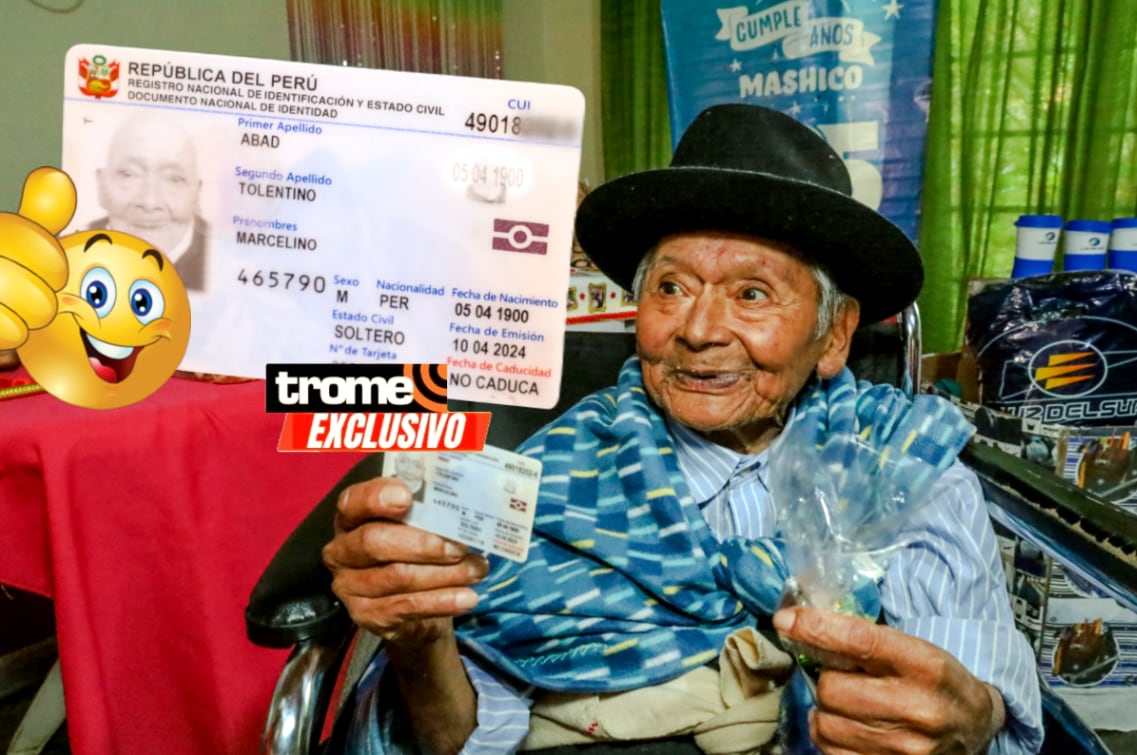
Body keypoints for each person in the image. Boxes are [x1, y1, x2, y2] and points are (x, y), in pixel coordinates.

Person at [323, 104, 1043, 754]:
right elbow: (463, 738)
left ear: (833, 336)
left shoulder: (902, 467)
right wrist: (422, 640)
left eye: (751, 293)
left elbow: (978, 711)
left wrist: (969, 719)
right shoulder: (551, 479)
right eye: (670, 287)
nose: (697, 331)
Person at [89, 114, 209, 290]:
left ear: (196, 193)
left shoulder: (227, 262)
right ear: (101, 184)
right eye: (128, 174)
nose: (149, 203)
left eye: (174, 179)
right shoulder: (71, 247)